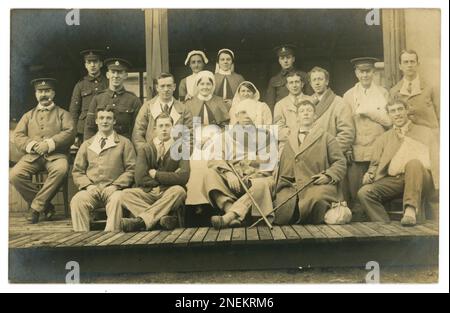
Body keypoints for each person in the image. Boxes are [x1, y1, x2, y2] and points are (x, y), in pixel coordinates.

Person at [357, 98, 439, 226]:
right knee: (364, 193)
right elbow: (375, 164)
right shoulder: (384, 138)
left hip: (421, 178)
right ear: (389, 115)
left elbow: (437, 161)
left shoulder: (425, 132)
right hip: (396, 180)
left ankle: (410, 210)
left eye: (400, 109)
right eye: (393, 111)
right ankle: (384, 226)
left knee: (413, 163)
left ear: (407, 111)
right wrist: (370, 173)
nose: (397, 113)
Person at [204, 100, 278, 229]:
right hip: (232, 179)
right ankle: (230, 210)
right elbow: (215, 158)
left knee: (263, 183)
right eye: (243, 112)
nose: (247, 116)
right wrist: (229, 172)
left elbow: (270, 161)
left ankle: (230, 216)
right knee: (210, 175)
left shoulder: (265, 136)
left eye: (251, 112)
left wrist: (253, 169)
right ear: (237, 116)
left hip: (256, 178)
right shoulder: (225, 136)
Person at [10, 78, 75, 224]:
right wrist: (32, 145)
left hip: (56, 156)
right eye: (40, 91)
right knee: (14, 175)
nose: (43, 94)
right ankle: (45, 207)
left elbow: (69, 132)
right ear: (36, 94)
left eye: (47, 91)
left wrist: (50, 143)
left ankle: (35, 209)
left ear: (53, 93)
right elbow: (18, 136)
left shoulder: (63, 114)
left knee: (61, 170)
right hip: (32, 156)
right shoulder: (28, 116)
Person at [274, 99, 347, 225]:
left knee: (317, 199)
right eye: (302, 111)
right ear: (297, 117)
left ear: (315, 116)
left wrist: (328, 176)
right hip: (293, 186)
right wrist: (289, 181)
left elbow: (340, 162)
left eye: (309, 110)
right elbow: (285, 167)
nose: (306, 113)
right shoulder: (290, 140)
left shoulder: (326, 138)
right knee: (283, 204)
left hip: (318, 184)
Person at [120, 113, 190, 232]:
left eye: (167, 125)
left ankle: (142, 220)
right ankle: (161, 219)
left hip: (168, 192)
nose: (164, 129)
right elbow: (140, 178)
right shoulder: (145, 148)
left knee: (179, 191)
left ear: (173, 128)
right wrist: (170, 177)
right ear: (155, 129)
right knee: (124, 195)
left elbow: (183, 177)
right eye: (161, 126)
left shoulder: (181, 148)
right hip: (148, 192)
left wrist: (156, 174)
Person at [71, 106, 136, 231]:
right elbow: (78, 171)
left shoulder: (124, 143)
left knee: (117, 199)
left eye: (108, 118)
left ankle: (111, 237)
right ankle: (81, 239)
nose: (105, 121)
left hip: (114, 190)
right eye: (101, 118)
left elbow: (131, 169)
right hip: (92, 190)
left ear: (114, 121)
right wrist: (89, 186)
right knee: (77, 200)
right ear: (96, 121)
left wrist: (116, 186)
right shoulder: (87, 144)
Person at [343, 57, 391, 219]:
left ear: (373, 72)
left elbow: (389, 121)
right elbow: (346, 123)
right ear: (356, 73)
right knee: (356, 190)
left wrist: (368, 111)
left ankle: (378, 225)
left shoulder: (383, 92)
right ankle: (358, 224)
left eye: (368, 71)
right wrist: (348, 147)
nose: (365, 75)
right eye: (361, 72)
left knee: (375, 188)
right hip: (357, 149)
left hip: (378, 148)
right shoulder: (348, 95)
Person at [184, 70, 230, 207]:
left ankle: (212, 199)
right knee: (195, 162)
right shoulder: (189, 103)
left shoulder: (219, 101)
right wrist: (196, 139)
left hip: (216, 137)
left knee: (211, 161)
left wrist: (213, 136)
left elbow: (226, 125)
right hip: (195, 138)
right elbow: (186, 126)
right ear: (197, 86)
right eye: (202, 84)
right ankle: (197, 201)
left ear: (213, 85)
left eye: (208, 84)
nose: (205, 87)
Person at [84, 57, 142, 141]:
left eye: (120, 72)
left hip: (125, 147)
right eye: (113, 72)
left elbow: (138, 131)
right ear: (108, 75)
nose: (116, 76)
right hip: (101, 146)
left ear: (125, 75)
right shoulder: (98, 99)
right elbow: (89, 128)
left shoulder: (133, 100)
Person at [132, 72, 193, 151]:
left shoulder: (184, 109)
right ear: (157, 87)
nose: (166, 89)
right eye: (162, 86)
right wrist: (147, 153)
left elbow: (191, 135)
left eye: (169, 86)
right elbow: (137, 134)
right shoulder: (147, 107)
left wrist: (181, 154)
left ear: (174, 87)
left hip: (176, 156)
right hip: (152, 156)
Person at [389, 49, 439, 129]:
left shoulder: (430, 88)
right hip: (407, 137)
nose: (409, 65)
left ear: (418, 64)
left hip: (428, 136)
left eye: (412, 62)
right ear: (400, 66)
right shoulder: (394, 91)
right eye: (406, 62)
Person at [69, 49, 108, 146]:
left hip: (105, 125)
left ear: (101, 64)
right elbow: (74, 111)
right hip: (84, 128)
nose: (92, 65)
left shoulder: (107, 83)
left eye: (95, 62)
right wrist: (75, 133)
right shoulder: (80, 85)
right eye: (89, 62)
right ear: (85, 65)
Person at [265, 44, 312, 112]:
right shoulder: (274, 80)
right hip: (282, 113)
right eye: (282, 58)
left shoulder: (304, 76)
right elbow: (270, 104)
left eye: (288, 57)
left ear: (293, 59)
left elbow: (310, 97)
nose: (285, 61)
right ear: (279, 61)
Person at [273, 70, 314, 148]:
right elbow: (278, 131)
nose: (294, 85)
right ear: (287, 86)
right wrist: (298, 135)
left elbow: (316, 125)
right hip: (287, 146)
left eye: (297, 82)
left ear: (302, 84)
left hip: (309, 144)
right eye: (291, 83)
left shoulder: (311, 101)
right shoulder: (280, 105)